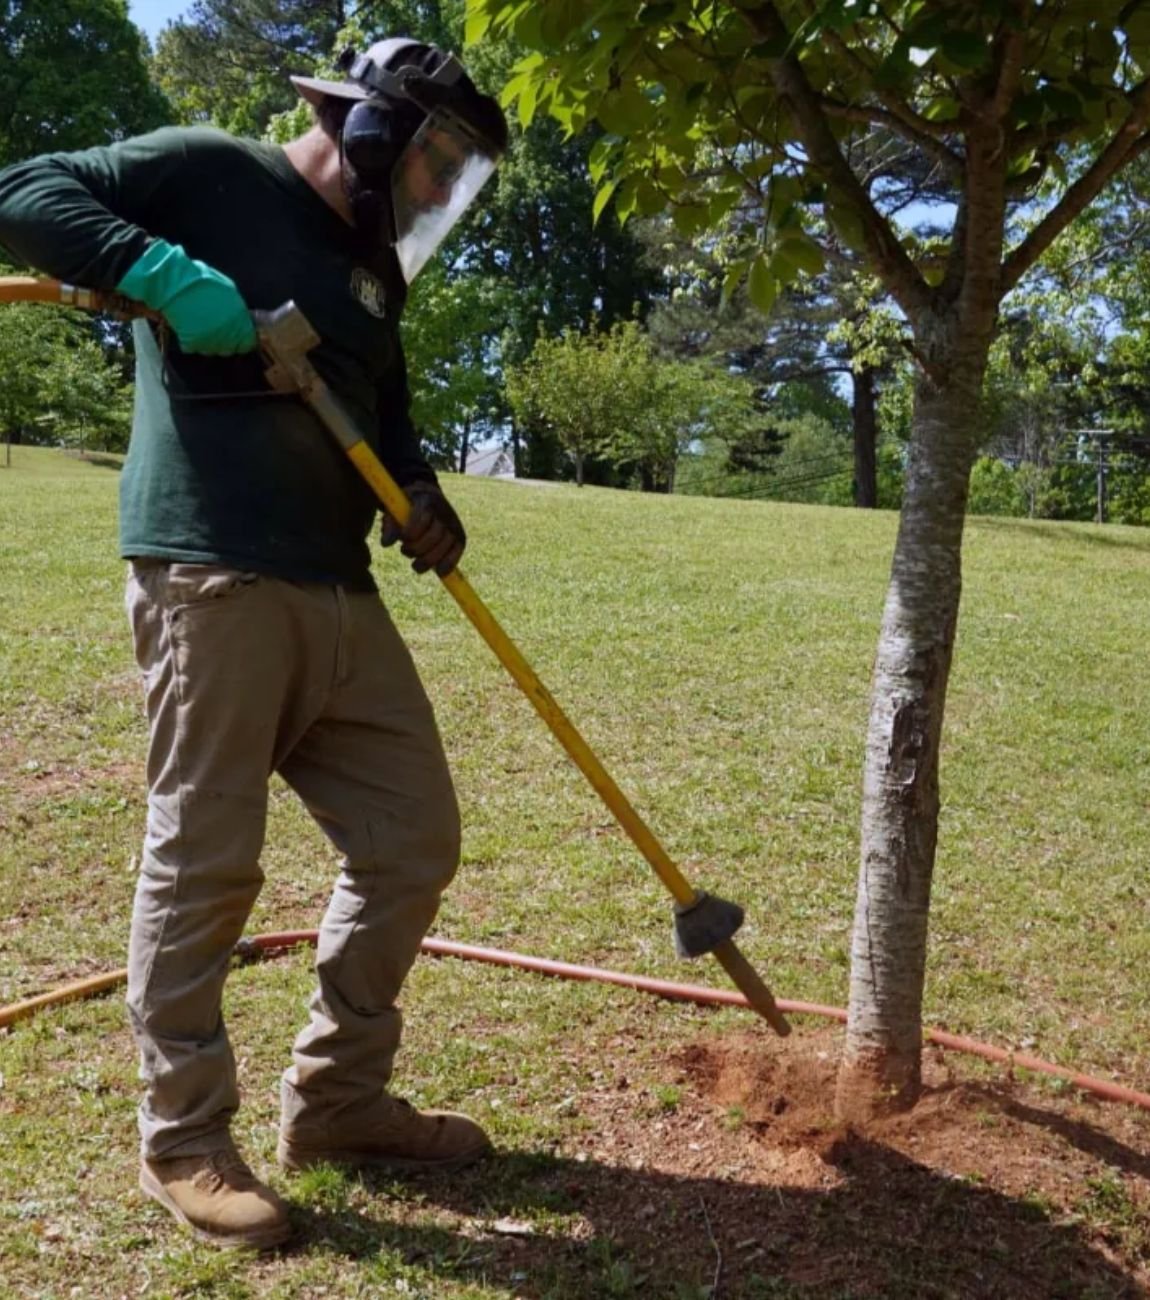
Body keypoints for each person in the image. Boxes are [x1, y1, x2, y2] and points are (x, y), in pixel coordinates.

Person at [0, 38, 509, 1251]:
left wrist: (424, 497)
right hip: (213, 572)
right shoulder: (208, 172)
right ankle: (183, 1140)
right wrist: (160, 271)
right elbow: (21, 195)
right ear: (377, 131)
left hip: (340, 592)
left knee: (411, 838)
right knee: (208, 858)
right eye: (436, 161)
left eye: (458, 176)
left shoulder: (373, 272)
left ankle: (336, 1101)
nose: (441, 192)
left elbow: (385, 417)